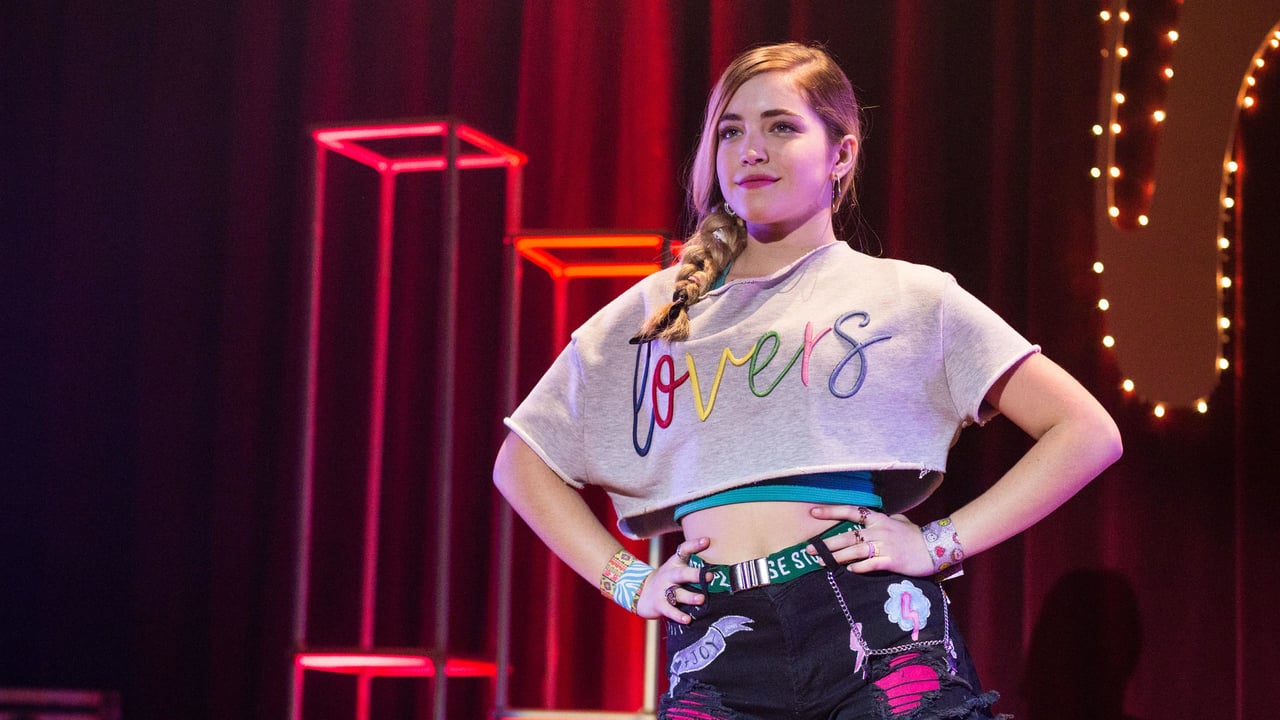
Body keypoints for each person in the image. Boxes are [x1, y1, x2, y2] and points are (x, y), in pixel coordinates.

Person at [494, 41, 1121, 720]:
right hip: (718, 634)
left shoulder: (907, 296)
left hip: (870, 620)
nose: (750, 150)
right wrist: (629, 581)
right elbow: (520, 463)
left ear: (841, 154)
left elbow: (1086, 431)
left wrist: (937, 542)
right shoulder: (660, 312)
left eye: (781, 126)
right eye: (730, 131)